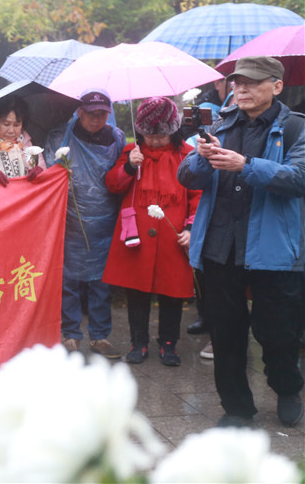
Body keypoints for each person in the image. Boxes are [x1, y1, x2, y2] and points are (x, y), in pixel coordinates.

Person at [178, 56, 305, 428]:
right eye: (237, 82)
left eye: (252, 82)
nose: (242, 89)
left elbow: (298, 179)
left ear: (277, 86)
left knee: (277, 332)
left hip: (273, 249)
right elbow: (187, 177)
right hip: (221, 245)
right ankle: (237, 408)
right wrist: (202, 158)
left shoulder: (295, 128)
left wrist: (245, 165)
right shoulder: (220, 123)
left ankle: (287, 387)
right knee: (226, 333)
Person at [102, 97, 201, 366]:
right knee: (136, 293)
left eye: (161, 135)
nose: (155, 140)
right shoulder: (132, 151)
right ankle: (139, 342)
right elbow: (113, 184)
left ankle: (169, 343)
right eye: (149, 135)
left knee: (172, 293)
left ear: (174, 130)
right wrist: (129, 166)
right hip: (137, 236)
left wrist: (191, 226)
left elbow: (198, 194)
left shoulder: (186, 155)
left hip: (173, 236)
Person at [43, 90, 127, 359]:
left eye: (102, 114)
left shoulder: (117, 137)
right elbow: (47, 171)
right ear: (79, 112)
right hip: (69, 217)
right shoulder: (60, 136)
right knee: (68, 278)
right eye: (91, 114)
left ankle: (100, 335)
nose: (96, 119)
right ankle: (70, 333)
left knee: (101, 281)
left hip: (104, 220)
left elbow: (120, 174)